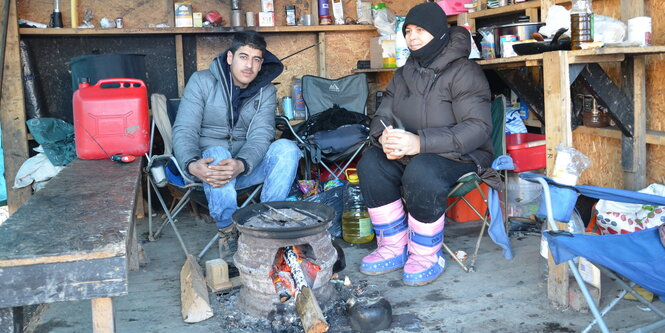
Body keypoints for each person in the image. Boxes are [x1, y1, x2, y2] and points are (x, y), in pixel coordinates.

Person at [357, 2, 492, 286]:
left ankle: (425, 254)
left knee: (423, 169)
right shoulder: (405, 72)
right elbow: (383, 115)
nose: (413, 37)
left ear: (440, 33)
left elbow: (478, 129)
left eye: (421, 30)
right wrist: (384, 137)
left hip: (460, 156)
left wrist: (421, 142)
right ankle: (393, 247)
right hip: (413, 152)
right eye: (408, 31)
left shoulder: (463, 71)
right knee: (371, 162)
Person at [173, 31, 301, 239]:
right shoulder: (202, 81)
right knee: (218, 154)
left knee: (287, 149)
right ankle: (229, 230)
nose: (249, 66)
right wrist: (191, 164)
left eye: (256, 59)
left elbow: (262, 135)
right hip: (207, 170)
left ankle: (270, 223)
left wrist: (241, 164)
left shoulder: (265, 91)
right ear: (230, 58)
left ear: (261, 65)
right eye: (243, 57)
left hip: (245, 167)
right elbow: (184, 129)